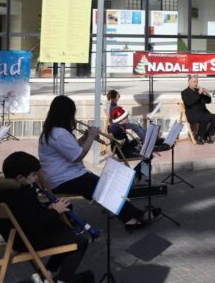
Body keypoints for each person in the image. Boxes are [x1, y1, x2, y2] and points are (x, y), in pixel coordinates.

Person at [38, 95, 157, 229]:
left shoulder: (54, 131)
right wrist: (91, 137)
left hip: (67, 176)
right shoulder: (59, 133)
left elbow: (73, 148)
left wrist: (85, 137)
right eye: (72, 114)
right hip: (63, 180)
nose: (74, 117)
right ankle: (137, 215)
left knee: (104, 188)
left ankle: (130, 219)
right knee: (103, 188)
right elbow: (77, 156)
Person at [0, 151, 91, 283]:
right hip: (28, 240)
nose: (36, 178)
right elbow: (34, 223)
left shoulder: (5, 191)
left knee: (66, 235)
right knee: (80, 242)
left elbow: (30, 215)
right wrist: (55, 212)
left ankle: (46, 275)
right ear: (20, 177)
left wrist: (49, 208)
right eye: (33, 175)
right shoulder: (21, 194)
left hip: (17, 237)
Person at [181, 75, 215, 144]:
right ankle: (199, 136)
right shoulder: (184, 92)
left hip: (203, 113)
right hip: (193, 114)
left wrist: (207, 94)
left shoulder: (198, 91)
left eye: (197, 82)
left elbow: (208, 101)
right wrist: (199, 94)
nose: (196, 83)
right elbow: (189, 103)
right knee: (205, 118)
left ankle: (208, 135)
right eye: (194, 82)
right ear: (189, 82)